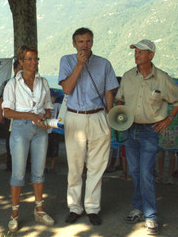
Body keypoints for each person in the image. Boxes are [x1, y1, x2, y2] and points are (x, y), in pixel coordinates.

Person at [115, 39, 178, 235]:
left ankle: (151, 216)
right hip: (129, 129)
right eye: (135, 51)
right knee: (135, 172)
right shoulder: (128, 76)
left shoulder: (161, 78)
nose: (136, 55)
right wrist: (119, 107)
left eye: (141, 52)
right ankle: (138, 208)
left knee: (145, 172)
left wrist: (169, 119)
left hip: (149, 132)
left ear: (151, 55)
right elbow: (120, 97)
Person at [58, 27, 119, 225]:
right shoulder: (67, 61)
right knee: (75, 166)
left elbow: (110, 92)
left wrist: (109, 116)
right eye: (80, 42)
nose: (85, 45)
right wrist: (79, 65)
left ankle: (92, 207)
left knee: (97, 166)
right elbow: (67, 88)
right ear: (74, 44)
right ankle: (74, 207)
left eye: (88, 41)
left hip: (98, 116)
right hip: (75, 117)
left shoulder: (104, 63)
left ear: (92, 42)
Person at [2, 45, 54, 231]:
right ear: (21, 62)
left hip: (40, 129)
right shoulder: (12, 84)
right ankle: (14, 214)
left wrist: (46, 117)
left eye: (36, 59)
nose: (34, 63)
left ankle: (39, 210)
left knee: (39, 171)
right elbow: (7, 112)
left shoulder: (43, 82)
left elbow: (48, 106)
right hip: (20, 128)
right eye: (30, 59)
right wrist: (31, 116)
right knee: (18, 173)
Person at [0, 60, 22, 172]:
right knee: (10, 142)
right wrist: (0, 115)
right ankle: (10, 165)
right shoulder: (8, 83)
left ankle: (25, 165)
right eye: (20, 68)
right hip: (10, 117)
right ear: (15, 69)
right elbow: (1, 99)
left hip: (23, 116)